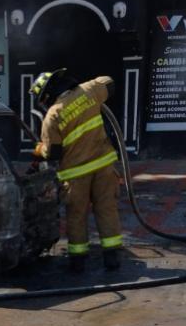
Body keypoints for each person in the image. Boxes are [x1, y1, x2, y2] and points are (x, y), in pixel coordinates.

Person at [30, 69, 123, 272]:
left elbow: (52, 153)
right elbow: (110, 82)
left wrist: (38, 149)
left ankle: (78, 261)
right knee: (106, 208)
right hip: (103, 166)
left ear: (47, 94)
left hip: (75, 175)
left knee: (76, 215)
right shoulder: (89, 90)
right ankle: (111, 257)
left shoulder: (52, 116)